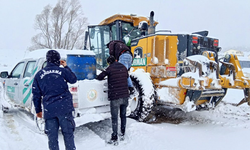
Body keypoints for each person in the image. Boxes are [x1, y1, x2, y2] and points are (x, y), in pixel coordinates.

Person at [32, 50, 77, 150]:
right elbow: (73, 79)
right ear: (58, 60)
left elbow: (36, 95)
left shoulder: (39, 75)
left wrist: (38, 111)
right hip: (65, 108)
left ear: (47, 60)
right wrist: (66, 66)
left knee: (52, 138)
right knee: (68, 135)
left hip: (49, 110)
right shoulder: (63, 71)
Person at [96, 55, 129, 145]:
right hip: (125, 96)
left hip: (115, 97)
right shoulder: (124, 67)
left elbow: (99, 77)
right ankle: (122, 133)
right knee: (123, 115)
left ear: (108, 62)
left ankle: (114, 137)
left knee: (114, 118)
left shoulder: (109, 68)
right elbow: (126, 76)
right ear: (116, 60)